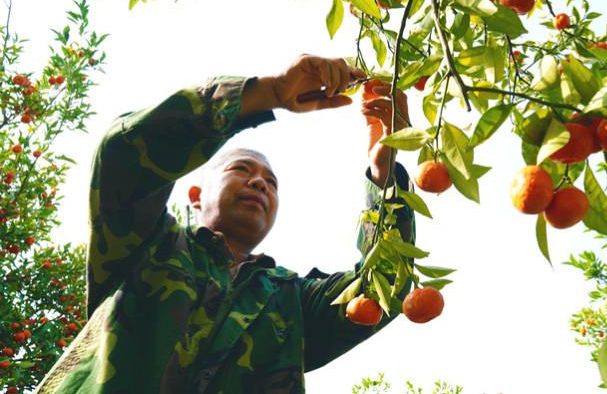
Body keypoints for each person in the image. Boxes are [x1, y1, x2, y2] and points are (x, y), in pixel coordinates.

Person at [33, 55, 416, 394]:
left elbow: (386, 287)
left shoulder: (290, 302)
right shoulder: (147, 246)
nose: (259, 183)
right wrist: (269, 93)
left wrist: (383, 174)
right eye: (241, 169)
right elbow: (124, 152)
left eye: (271, 182)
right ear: (197, 195)